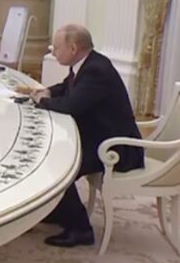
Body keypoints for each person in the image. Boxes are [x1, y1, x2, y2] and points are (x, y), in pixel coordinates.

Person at [26, 24, 144, 247]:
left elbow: (72, 105)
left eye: (56, 48)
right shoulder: (88, 63)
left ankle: (80, 229)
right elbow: (68, 87)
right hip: (98, 137)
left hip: (116, 149)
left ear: (73, 48)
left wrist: (43, 101)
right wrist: (48, 91)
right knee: (51, 153)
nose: (53, 52)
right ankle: (58, 211)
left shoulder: (96, 70)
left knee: (58, 165)